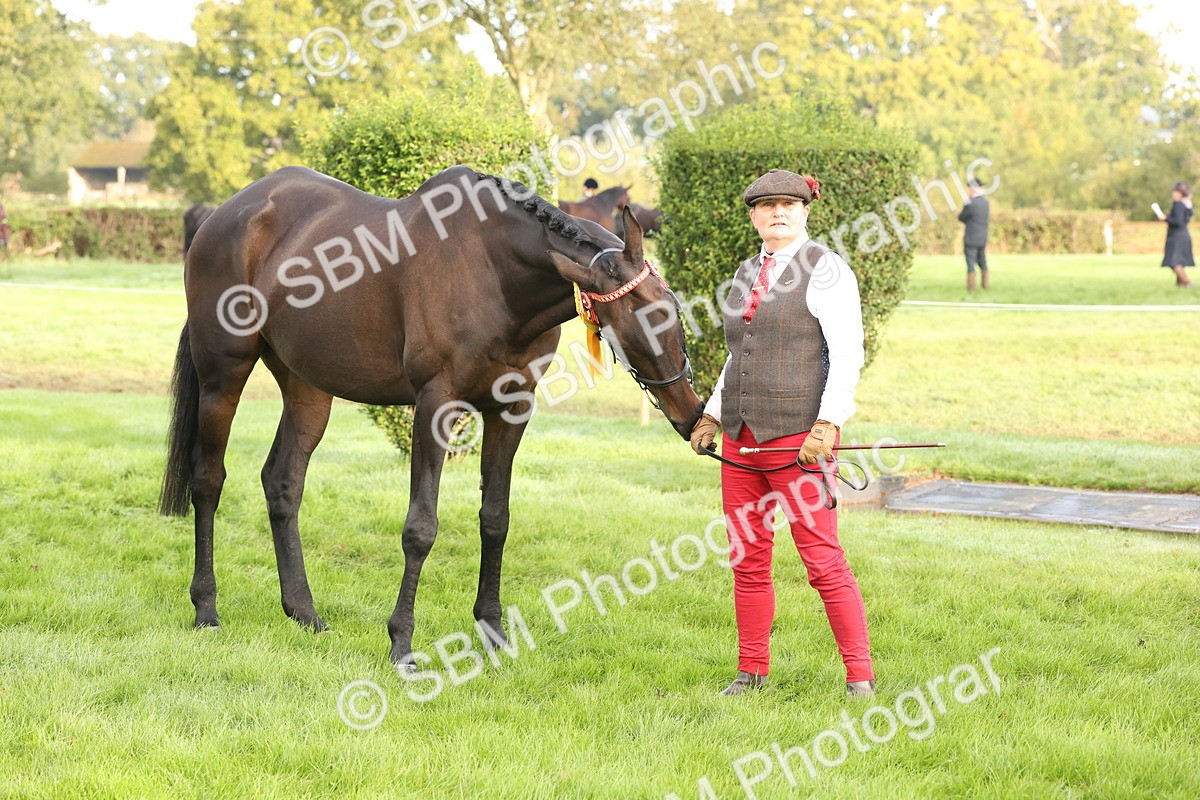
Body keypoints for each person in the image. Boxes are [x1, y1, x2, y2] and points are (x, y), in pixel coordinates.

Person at [689, 168, 875, 698]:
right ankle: (751, 673)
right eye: (766, 205)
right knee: (747, 559)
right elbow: (738, 354)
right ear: (753, 216)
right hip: (741, 440)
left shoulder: (827, 269)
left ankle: (859, 678)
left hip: (800, 439)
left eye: (788, 205)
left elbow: (847, 354)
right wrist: (711, 413)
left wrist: (829, 423)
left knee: (821, 560)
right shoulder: (749, 268)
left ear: (805, 211)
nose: (778, 212)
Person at [1156, 181, 1193, 288]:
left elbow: (1178, 221)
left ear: (1179, 193)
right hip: (1184, 235)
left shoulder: (1179, 205)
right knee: (1178, 261)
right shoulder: (1187, 205)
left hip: (1177, 236)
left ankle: (1187, 283)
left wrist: (1165, 218)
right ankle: (1180, 285)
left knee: (1174, 261)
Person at [957, 177, 990, 291]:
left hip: (971, 238)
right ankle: (985, 285)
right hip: (982, 238)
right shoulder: (985, 203)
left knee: (970, 263)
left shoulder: (970, 203)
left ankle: (971, 288)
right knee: (982, 261)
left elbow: (961, 217)